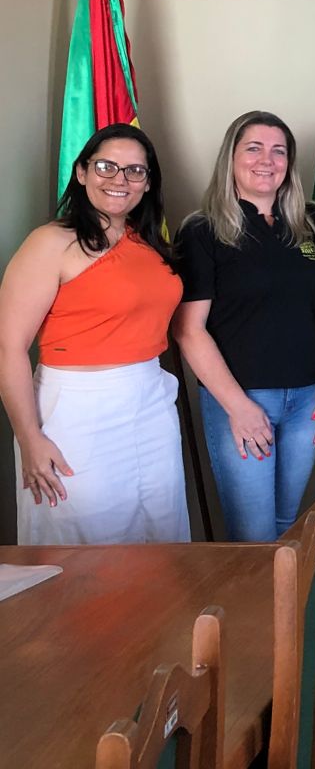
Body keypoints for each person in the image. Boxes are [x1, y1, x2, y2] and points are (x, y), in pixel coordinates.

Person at [0, 124, 186, 544]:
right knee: (83, 540)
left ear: (147, 182)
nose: (120, 179)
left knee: (161, 533)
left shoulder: (149, 244)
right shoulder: (50, 242)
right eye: (106, 166)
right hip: (77, 411)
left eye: (135, 171)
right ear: (82, 172)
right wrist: (29, 438)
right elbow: (8, 348)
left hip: (151, 403)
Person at [173, 111, 315, 540]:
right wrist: (238, 406)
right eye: (253, 148)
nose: (266, 160)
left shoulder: (310, 221)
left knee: (287, 526)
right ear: (230, 158)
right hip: (241, 399)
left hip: (308, 400)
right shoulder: (203, 230)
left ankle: (286, 592)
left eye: (278, 151)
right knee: (253, 537)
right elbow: (188, 330)